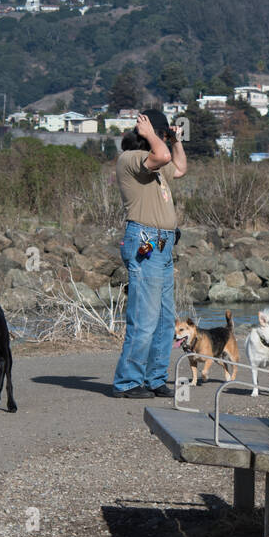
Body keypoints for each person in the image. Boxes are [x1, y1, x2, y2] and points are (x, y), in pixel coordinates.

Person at [112, 109, 187, 399]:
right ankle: (128, 381)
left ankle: (155, 377)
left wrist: (177, 140)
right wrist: (153, 135)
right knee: (144, 318)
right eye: (162, 133)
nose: (165, 139)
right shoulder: (131, 158)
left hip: (163, 246)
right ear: (146, 132)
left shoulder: (155, 163)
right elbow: (164, 157)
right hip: (145, 243)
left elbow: (178, 167)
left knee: (166, 320)